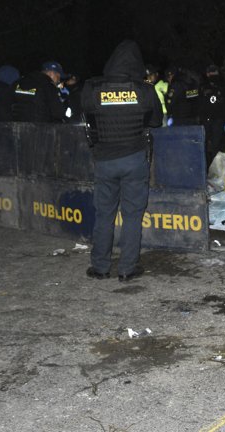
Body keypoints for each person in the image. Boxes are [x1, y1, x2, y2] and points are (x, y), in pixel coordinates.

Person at [80, 40, 162, 282]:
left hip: (104, 159)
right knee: (133, 215)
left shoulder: (92, 87)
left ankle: (100, 268)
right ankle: (127, 269)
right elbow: (156, 121)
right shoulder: (145, 90)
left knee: (104, 214)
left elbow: (85, 115)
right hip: (135, 159)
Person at [199, 63, 225, 169]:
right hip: (219, 119)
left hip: (207, 119)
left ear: (208, 73)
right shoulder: (223, 84)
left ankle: (205, 168)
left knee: (204, 144)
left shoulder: (204, 84)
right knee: (216, 145)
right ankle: (216, 169)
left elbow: (197, 101)